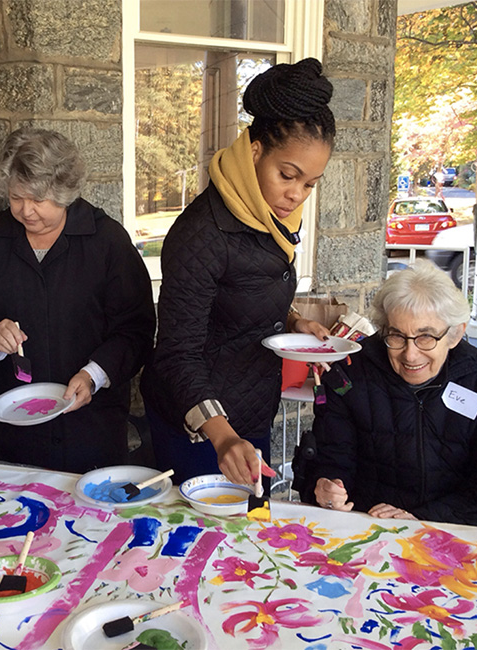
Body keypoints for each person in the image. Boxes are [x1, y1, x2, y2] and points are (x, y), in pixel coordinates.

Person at [140, 58, 334, 486]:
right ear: (254, 151)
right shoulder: (201, 234)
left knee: (247, 538)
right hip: (197, 425)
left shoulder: (269, 217)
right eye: (288, 175)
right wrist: (223, 438)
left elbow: (244, 295)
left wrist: (295, 322)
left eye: (310, 184)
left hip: (250, 409)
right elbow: (177, 353)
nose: (296, 194)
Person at [0, 128, 155, 474]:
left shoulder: (106, 242)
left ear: (64, 191)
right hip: (17, 426)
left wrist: (93, 375)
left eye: (38, 199)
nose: (26, 211)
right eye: (16, 198)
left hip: (92, 429)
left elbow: (135, 329)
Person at [299, 260, 477, 529]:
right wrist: (326, 488)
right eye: (397, 336)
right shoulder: (350, 379)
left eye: (426, 337)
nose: (410, 354)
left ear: (454, 334)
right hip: (368, 530)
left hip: (451, 532)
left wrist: (421, 519)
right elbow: (329, 462)